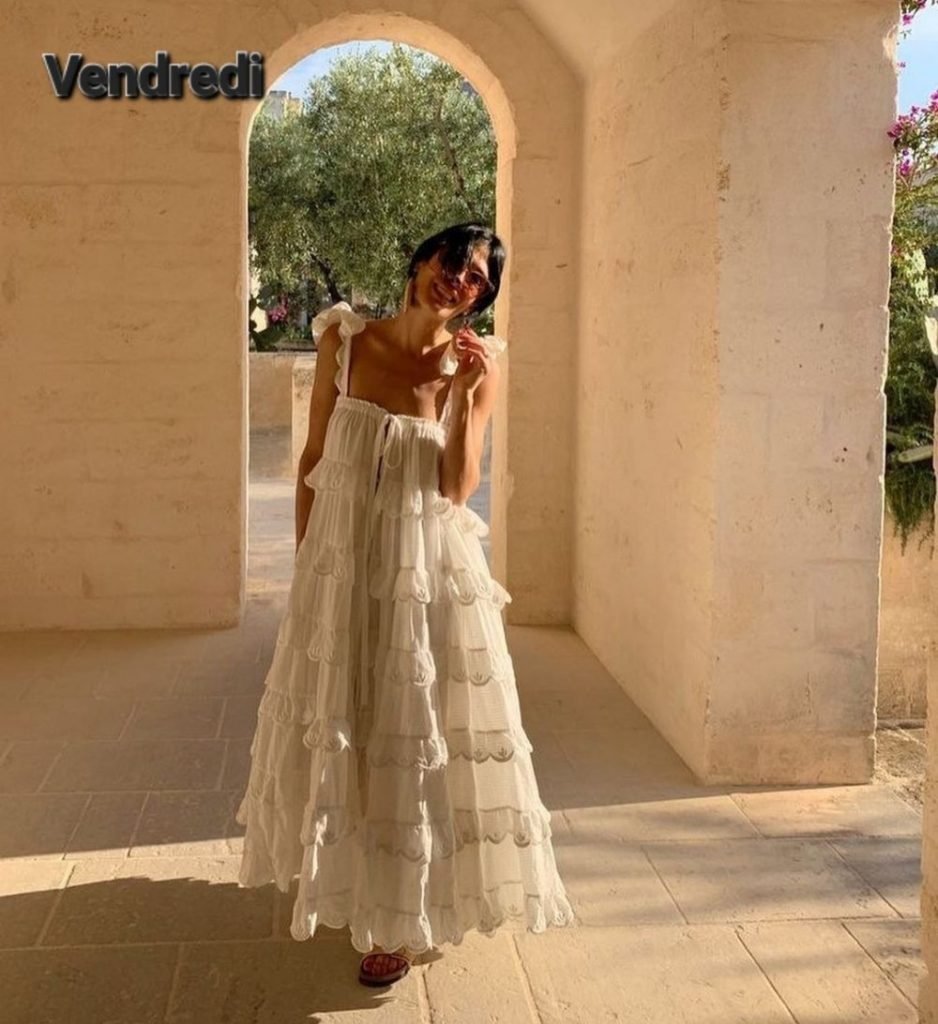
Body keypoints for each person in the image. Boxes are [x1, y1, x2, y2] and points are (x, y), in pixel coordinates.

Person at [235, 222, 574, 986]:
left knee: (413, 731)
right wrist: (309, 566)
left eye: (478, 278)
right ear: (421, 262)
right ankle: (357, 877)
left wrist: (463, 395)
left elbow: (456, 487)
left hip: (424, 571)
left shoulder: (475, 369)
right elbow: (315, 459)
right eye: (453, 262)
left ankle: (400, 913)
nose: (461, 280)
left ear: (481, 297)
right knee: (348, 718)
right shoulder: (344, 342)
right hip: (345, 562)